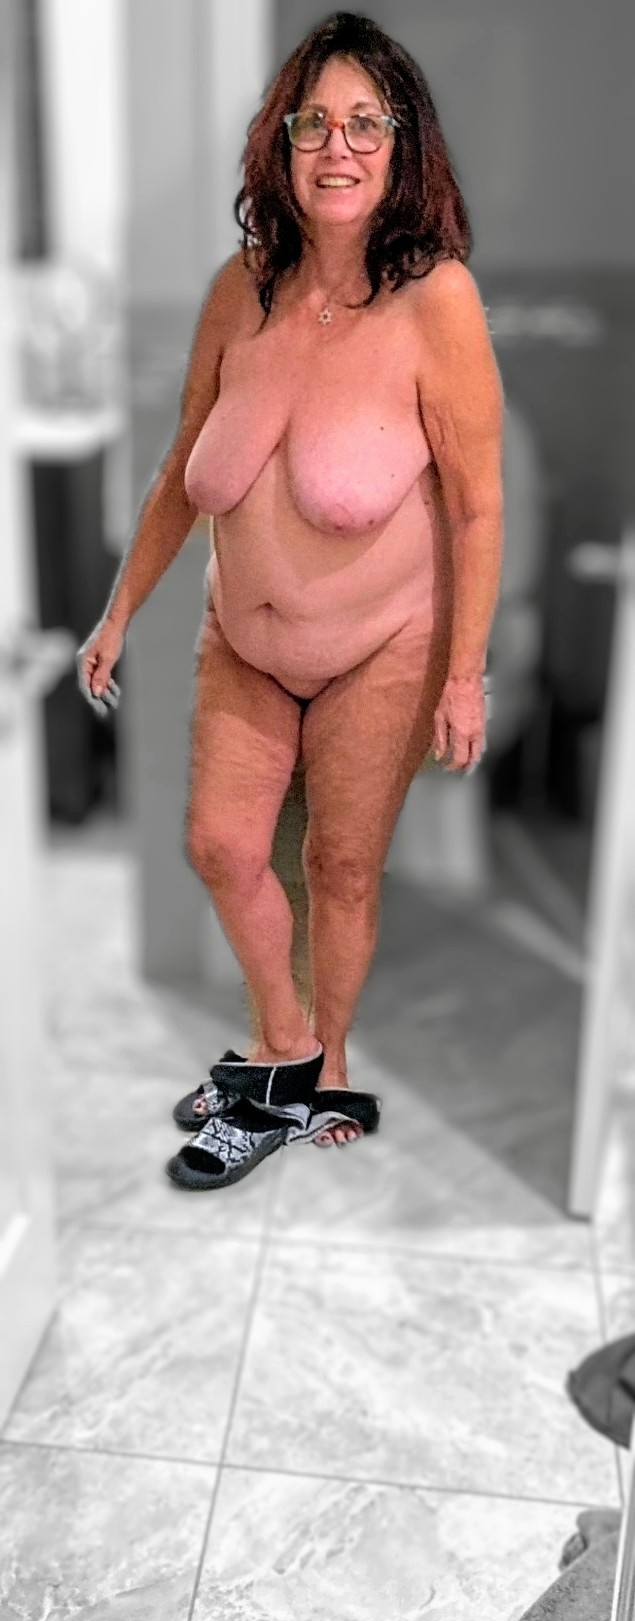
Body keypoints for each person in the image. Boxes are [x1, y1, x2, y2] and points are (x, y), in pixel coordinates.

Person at [77, 10, 504, 1186]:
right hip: (243, 640)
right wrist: (119, 610)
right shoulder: (241, 288)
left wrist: (462, 675)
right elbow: (181, 466)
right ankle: (287, 1051)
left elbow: (477, 506)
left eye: (366, 123)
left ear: (403, 145)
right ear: (281, 142)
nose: (337, 146)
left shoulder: (435, 301)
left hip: (383, 646)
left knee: (339, 871)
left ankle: (315, 1068)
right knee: (221, 846)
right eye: (313, 122)